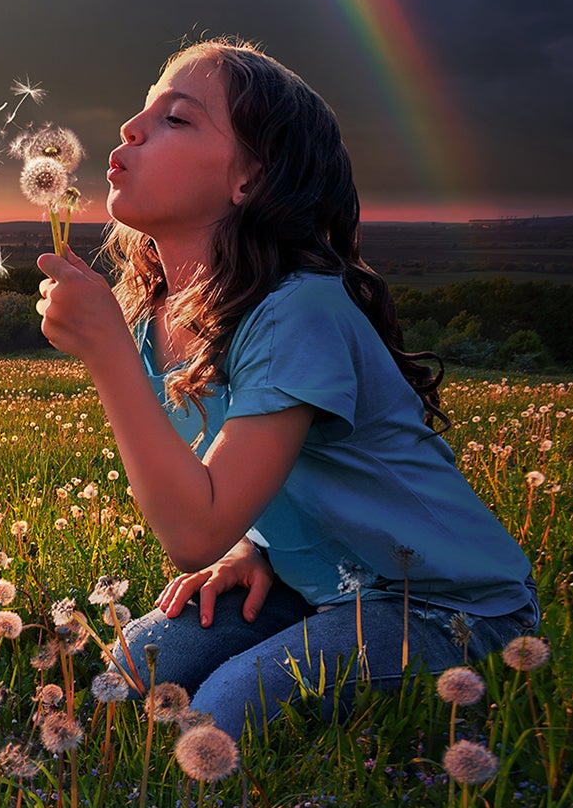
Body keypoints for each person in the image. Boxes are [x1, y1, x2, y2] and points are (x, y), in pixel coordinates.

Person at [33, 38, 538, 739]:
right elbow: (230, 487)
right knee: (132, 675)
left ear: (251, 179)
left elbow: (193, 531)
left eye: (177, 119)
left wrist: (107, 356)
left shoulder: (298, 308)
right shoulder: (152, 318)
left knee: (226, 713)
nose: (131, 129)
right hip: (315, 587)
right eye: (142, 112)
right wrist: (254, 549)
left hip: (442, 604)